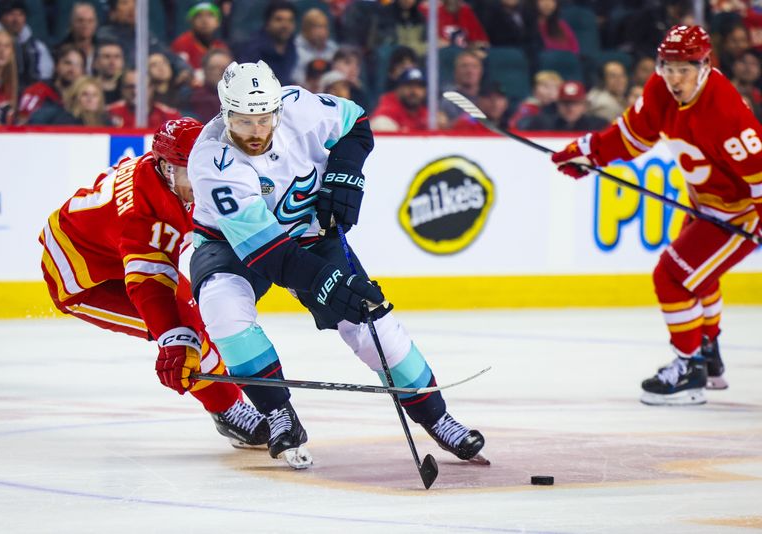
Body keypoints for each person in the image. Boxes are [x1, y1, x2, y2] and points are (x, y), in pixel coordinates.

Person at [187, 60, 486, 469]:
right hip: (233, 245)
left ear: (277, 108)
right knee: (221, 306)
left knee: (370, 322)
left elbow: (357, 123)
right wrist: (327, 283)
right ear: (224, 114)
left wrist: (344, 175)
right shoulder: (213, 163)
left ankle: (438, 417)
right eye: (242, 122)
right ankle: (277, 411)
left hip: (310, 232)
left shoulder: (300, 107)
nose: (255, 132)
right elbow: (270, 257)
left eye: (263, 119)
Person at [551, 25, 762, 405]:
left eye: (685, 69)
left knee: (672, 276)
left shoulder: (727, 112)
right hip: (704, 202)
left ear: (705, 65)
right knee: (695, 274)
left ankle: (689, 367)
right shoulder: (659, 89)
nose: (675, 78)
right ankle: (708, 354)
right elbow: (632, 137)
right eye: (668, 67)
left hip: (739, 213)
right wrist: (588, 152)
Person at [39, 117, 269, 447]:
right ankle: (228, 409)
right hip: (83, 278)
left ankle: (252, 397)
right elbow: (148, 285)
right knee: (189, 335)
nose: (199, 180)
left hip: (112, 249)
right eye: (187, 170)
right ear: (164, 167)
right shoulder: (141, 214)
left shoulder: (176, 180)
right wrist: (173, 337)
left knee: (207, 319)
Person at [17, 44, 85, 124]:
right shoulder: (37, 90)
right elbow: (22, 124)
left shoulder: (85, 95)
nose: (72, 69)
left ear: (83, 71)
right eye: (67, 63)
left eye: (77, 65)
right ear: (56, 66)